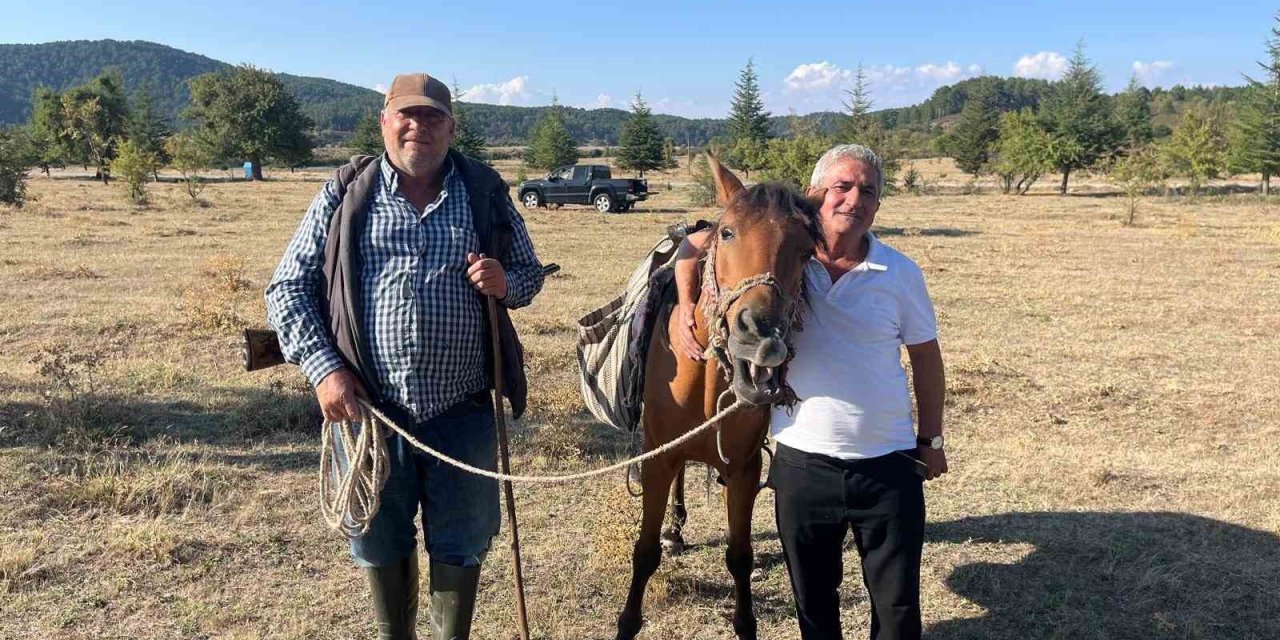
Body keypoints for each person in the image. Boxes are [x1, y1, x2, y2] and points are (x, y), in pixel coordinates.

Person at [264, 72, 544, 640]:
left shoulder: (484, 190)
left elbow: (529, 275)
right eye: (407, 116)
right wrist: (325, 371)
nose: (419, 127)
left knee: (463, 544)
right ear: (385, 123)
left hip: (462, 410)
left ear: (451, 127)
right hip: (370, 410)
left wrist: (504, 282)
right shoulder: (346, 191)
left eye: (433, 117)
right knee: (378, 540)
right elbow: (287, 289)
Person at [673, 144, 946, 640]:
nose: (854, 199)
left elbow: (927, 359)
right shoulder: (788, 262)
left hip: (889, 462)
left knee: (898, 608)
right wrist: (682, 305)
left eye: (868, 190)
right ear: (817, 195)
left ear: (878, 205)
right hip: (803, 464)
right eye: (842, 186)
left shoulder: (900, 273)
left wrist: (932, 441)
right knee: (815, 608)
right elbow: (702, 242)